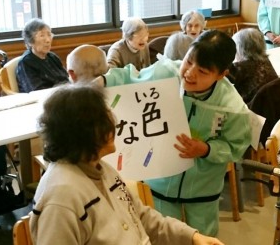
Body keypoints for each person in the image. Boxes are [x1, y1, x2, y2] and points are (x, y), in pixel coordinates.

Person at [97, 30, 252, 236]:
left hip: (202, 189)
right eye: (189, 62)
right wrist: (102, 82)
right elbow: (132, 79)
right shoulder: (166, 74)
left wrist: (206, 149)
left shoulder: (231, 107)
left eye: (203, 72)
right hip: (160, 180)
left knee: (203, 235)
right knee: (161, 234)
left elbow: (236, 147)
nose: (190, 73)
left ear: (222, 74)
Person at [30, 84, 224, 245]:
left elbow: (140, 216)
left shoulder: (101, 168)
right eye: (105, 119)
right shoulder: (60, 198)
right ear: (83, 132)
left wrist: (192, 237)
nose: (114, 124)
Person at [16, 18, 69, 93]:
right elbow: (36, 91)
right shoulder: (26, 62)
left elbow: (66, 79)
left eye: (49, 35)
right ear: (30, 41)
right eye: (42, 35)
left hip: (61, 95)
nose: (48, 40)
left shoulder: (52, 57)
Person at [227, 28, 278, 104]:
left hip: (252, 108)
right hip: (273, 105)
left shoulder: (239, 67)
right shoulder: (265, 61)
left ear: (241, 48)